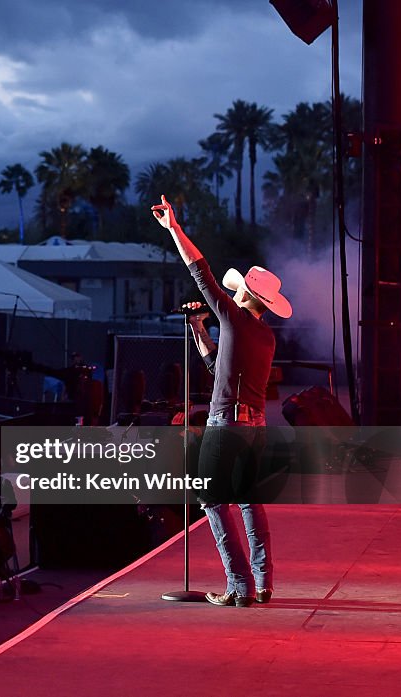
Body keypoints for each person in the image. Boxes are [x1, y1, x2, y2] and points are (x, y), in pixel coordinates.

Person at [152, 194, 288, 608]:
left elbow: (201, 272)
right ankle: (261, 583)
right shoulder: (264, 336)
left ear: (244, 293)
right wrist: (198, 328)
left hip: (226, 422)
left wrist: (174, 228)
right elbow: (218, 368)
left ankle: (239, 584)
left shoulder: (232, 316)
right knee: (248, 499)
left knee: (212, 499)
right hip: (254, 426)